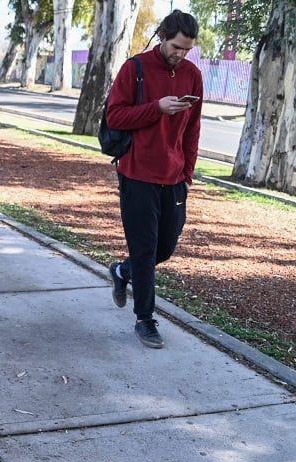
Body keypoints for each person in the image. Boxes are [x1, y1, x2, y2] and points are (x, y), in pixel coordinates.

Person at [105, 10, 203, 349]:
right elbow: (115, 115)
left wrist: (188, 172)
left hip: (174, 177)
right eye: (177, 46)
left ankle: (122, 271)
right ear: (163, 36)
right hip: (137, 173)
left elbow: (193, 128)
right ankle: (145, 319)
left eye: (187, 49)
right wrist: (157, 108)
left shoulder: (192, 74)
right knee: (145, 249)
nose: (181, 54)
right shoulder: (135, 69)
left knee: (165, 248)